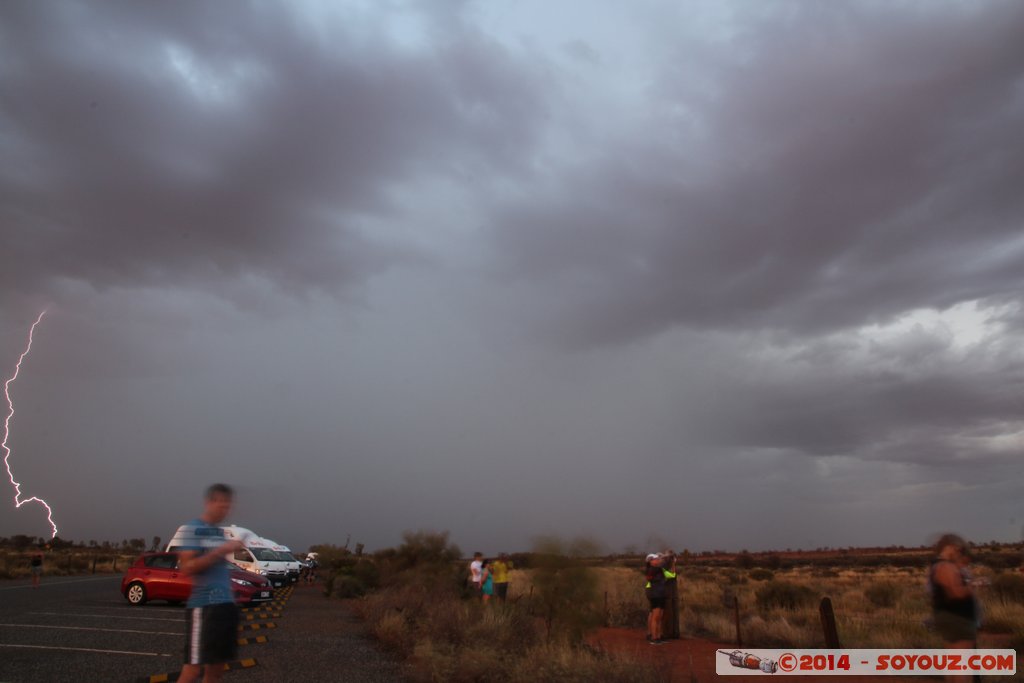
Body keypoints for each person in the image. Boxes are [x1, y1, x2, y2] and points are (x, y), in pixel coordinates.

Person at [174, 484, 244, 683]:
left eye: (228, 505)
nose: (225, 509)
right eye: (221, 504)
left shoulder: (219, 533)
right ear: (210, 502)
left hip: (225, 607)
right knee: (192, 671)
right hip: (204, 607)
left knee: (216, 672)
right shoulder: (192, 529)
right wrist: (220, 551)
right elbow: (187, 567)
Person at [928, 533, 979, 683]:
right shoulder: (945, 566)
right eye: (958, 549)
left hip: (947, 617)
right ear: (950, 547)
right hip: (959, 619)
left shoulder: (936, 565)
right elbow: (956, 593)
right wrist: (972, 586)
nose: (958, 553)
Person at [644, 553, 676, 644]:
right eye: (656, 559)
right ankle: (654, 637)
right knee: (655, 615)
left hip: (659, 593)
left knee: (658, 615)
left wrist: (672, 562)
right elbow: (663, 567)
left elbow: (671, 574)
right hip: (655, 593)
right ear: (650, 561)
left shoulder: (658, 569)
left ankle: (657, 636)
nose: (658, 560)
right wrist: (669, 558)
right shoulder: (654, 570)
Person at [660, 548, 680, 639]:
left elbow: (673, 574)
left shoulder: (670, 565)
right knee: (668, 613)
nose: (670, 558)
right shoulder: (662, 567)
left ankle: (675, 632)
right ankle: (668, 633)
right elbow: (671, 574)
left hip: (673, 593)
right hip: (667, 593)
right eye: (669, 557)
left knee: (674, 612)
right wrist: (672, 563)